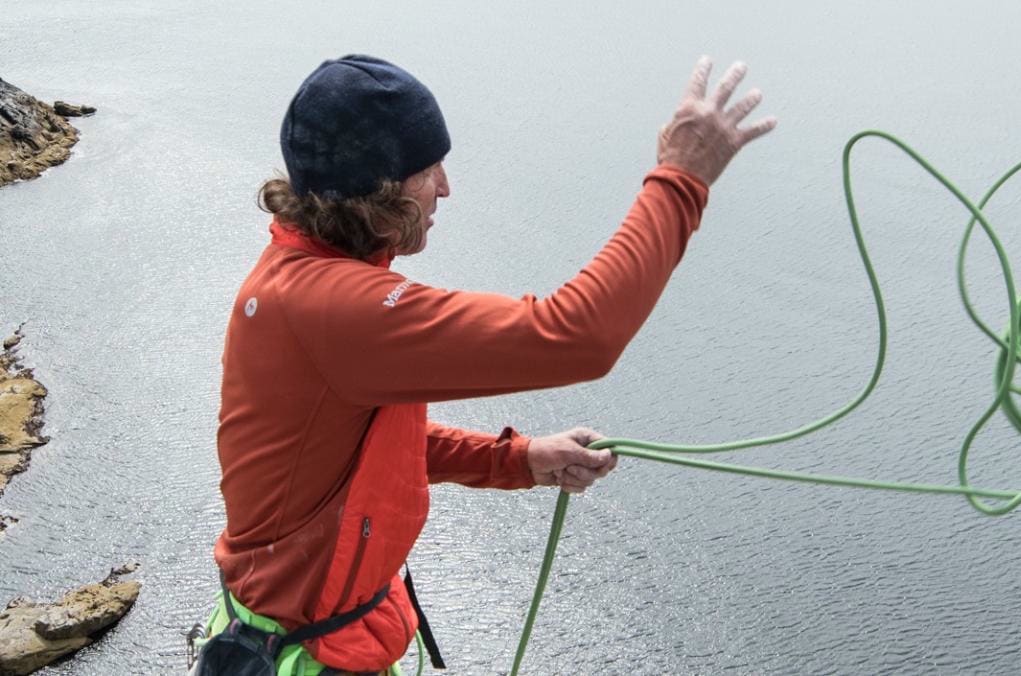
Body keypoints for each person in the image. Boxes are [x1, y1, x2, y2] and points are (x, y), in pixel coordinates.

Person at [192, 54, 775, 675]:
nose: (445, 187)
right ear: (376, 190)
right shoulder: (334, 309)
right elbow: (578, 336)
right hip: (305, 658)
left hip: (302, 639)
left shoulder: (300, 281)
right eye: (427, 169)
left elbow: (356, 454)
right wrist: (682, 180)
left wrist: (519, 458)